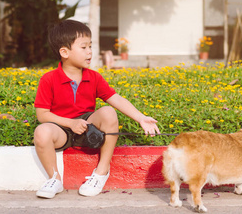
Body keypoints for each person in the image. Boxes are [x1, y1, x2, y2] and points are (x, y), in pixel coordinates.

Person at [33, 19, 160, 199]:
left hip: (88, 129)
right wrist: (70, 123)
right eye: (84, 47)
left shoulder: (94, 77)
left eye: (90, 46)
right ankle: (54, 179)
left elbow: (115, 98)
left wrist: (140, 117)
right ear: (64, 52)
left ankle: (101, 172)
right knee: (41, 131)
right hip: (61, 129)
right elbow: (42, 115)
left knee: (108, 112)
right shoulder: (49, 79)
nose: (90, 52)